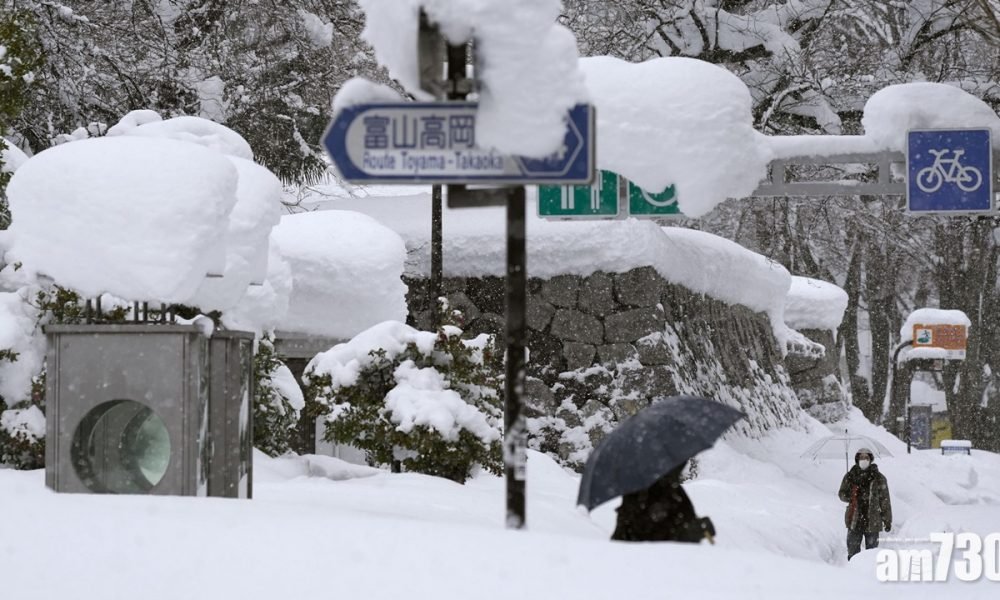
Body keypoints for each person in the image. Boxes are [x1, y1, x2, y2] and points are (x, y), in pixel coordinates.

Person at [611, 460, 715, 543]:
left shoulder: (675, 491)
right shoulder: (638, 493)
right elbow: (625, 539)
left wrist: (700, 529)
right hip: (647, 563)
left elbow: (687, 523)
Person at [838, 447, 892, 559]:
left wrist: (887, 520)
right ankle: (851, 573)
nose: (864, 460)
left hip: (873, 520)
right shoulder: (850, 476)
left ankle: (869, 574)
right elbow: (841, 494)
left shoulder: (879, 478)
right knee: (852, 553)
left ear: (870, 459)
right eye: (861, 457)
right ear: (857, 459)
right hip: (854, 519)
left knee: (871, 555)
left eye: (866, 457)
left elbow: (885, 501)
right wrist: (850, 496)